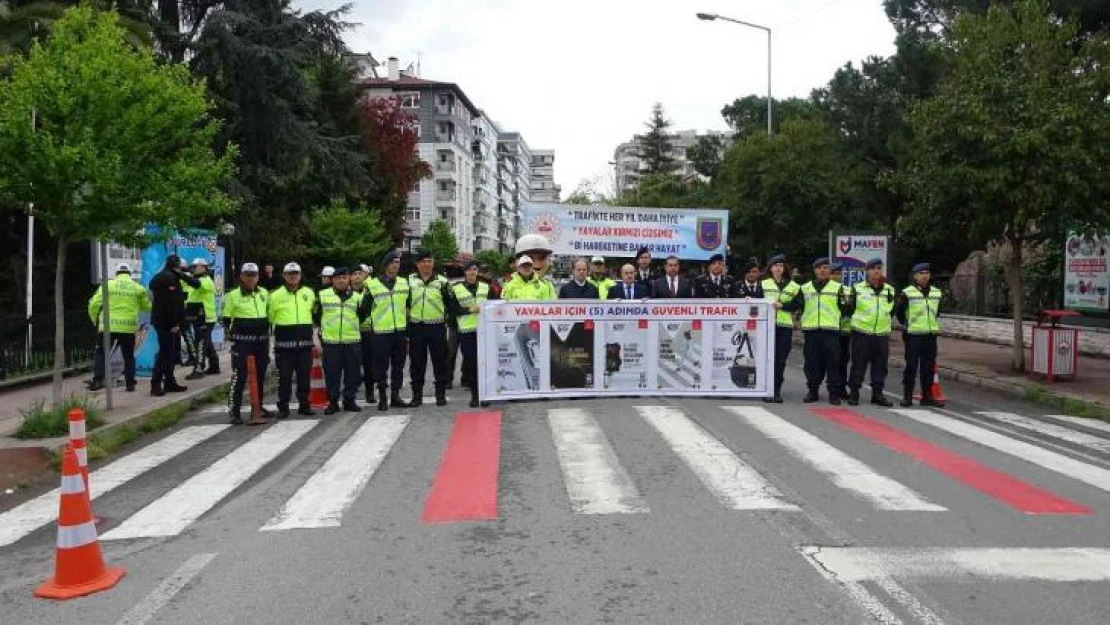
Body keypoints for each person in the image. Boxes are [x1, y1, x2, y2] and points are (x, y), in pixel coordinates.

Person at [783, 258, 845, 405]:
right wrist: (780, 305)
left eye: (825, 268)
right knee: (812, 363)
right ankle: (813, 391)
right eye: (819, 268)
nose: (822, 271)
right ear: (814, 270)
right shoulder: (805, 288)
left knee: (833, 363)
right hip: (812, 331)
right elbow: (795, 304)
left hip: (831, 331)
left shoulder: (837, 288)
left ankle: (834, 393)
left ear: (829, 271)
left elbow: (846, 308)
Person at [86, 263, 149, 392]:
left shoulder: (107, 285)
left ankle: (98, 381)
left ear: (116, 273)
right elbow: (146, 307)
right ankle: (130, 383)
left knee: (101, 353)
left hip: (108, 326)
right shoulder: (138, 288)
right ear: (130, 274)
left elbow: (94, 304)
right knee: (128, 356)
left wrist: (95, 320)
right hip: (128, 327)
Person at [842, 259, 896, 407]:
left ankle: (877, 395)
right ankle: (854, 393)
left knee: (880, 366)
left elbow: (891, 311)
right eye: (873, 268)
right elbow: (849, 309)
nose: (876, 271)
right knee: (858, 364)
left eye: (879, 268)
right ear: (867, 271)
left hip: (881, 334)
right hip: (862, 333)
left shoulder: (889, 290)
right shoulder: (857, 289)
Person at [222, 263, 271, 424]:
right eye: (247, 275)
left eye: (254, 275)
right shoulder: (232, 295)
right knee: (239, 377)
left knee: (260, 376)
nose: (251, 278)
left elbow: (269, 315)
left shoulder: (263, 292)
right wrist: (235, 335)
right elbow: (226, 319)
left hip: (262, 343)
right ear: (242, 276)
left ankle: (258, 407)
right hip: (243, 344)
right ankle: (233, 411)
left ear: (258, 277)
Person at [314, 267, 365, 414]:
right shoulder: (323, 295)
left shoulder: (357, 297)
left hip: (352, 340)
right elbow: (317, 316)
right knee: (332, 374)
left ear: (349, 279)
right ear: (333, 280)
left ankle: (349, 400)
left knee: (353, 373)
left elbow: (362, 316)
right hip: (331, 342)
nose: (341, 280)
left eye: (344, 277)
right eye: (338, 278)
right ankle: (333, 402)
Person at [269, 262, 317, 418]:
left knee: (304, 378)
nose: (293, 276)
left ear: (300, 275)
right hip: (284, 347)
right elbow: (270, 318)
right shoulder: (275, 296)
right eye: (290, 273)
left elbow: (313, 314)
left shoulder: (309, 293)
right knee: (284, 378)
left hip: (305, 345)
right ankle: (283, 407)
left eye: (296, 273)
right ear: (284, 275)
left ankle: (304, 405)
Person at [895, 262, 945, 407]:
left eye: (927, 273)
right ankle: (908, 396)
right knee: (911, 366)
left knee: (928, 367)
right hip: (913, 335)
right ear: (915, 276)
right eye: (921, 273)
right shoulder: (907, 292)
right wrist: (907, 324)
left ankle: (927, 396)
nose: (924, 276)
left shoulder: (936, 292)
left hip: (930, 334)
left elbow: (937, 311)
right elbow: (899, 312)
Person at [365, 252, 411, 411]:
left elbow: (409, 305)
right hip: (380, 332)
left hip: (399, 331)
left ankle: (395, 395)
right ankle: (383, 397)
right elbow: (364, 309)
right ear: (386, 265)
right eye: (392, 262)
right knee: (380, 367)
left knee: (399, 366)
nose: (395, 265)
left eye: (397, 263)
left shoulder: (404, 283)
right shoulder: (372, 285)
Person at [408, 250, 452, 407]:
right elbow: (404, 304)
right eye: (423, 261)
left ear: (433, 263)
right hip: (416, 328)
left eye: (429, 261)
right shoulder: (409, 281)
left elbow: (450, 305)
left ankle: (440, 394)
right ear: (417, 264)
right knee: (417, 363)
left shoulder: (442, 282)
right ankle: (416, 396)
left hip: (437, 328)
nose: (427, 264)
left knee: (440, 362)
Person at [149, 254, 198, 396]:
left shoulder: (162, 276)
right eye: (181, 268)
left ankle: (170, 382)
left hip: (163, 321)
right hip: (167, 323)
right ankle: (156, 384)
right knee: (165, 354)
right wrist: (175, 323)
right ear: (176, 266)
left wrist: (181, 276)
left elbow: (195, 284)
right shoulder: (169, 278)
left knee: (170, 354)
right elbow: (172, 304)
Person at [452, 260, 495, 407]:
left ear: (477, 272)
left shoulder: (485, 287)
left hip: (484, 330)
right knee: (471, 364)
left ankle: (485, 395)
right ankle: (475, 395)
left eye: (475, 270)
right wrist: (470, 310)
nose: (472, 272)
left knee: (485, 363)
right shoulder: (456, 288)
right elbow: (453, 309)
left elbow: (494, 305)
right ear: (465, 272)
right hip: (466, 331)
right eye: (469, 270)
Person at [761, 255, 800, 403]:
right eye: (775, 265)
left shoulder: (794, 286)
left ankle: (776, 390)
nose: (778, 268)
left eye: (781, 266)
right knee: (766, 359)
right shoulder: (763, 284)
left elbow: (798, 304)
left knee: (780, 360)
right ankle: (766, 390)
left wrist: (783, 306)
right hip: (766, 325)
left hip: (784, 327)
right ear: (770, 268)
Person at [184, 258, 219, 380]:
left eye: (196, 266)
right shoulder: (196, 280)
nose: (193, 268)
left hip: (205, 317)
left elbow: (196, 285)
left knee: (200, 343)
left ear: (204, 267)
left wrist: (182, 276)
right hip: (197, 317)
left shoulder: (206, 280)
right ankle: (215, 366)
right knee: (207, 343)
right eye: (192, 266)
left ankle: (199, 369)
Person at [829, 264, 853, 391]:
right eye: (833, 274)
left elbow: (849, 309)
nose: (836, 277)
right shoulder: (825, 290)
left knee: (843, 361)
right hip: (830, 330)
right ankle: (831, 386)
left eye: (839, 274)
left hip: (844, 332)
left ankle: (842, 388)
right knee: (831, 361)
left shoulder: (847, 290)